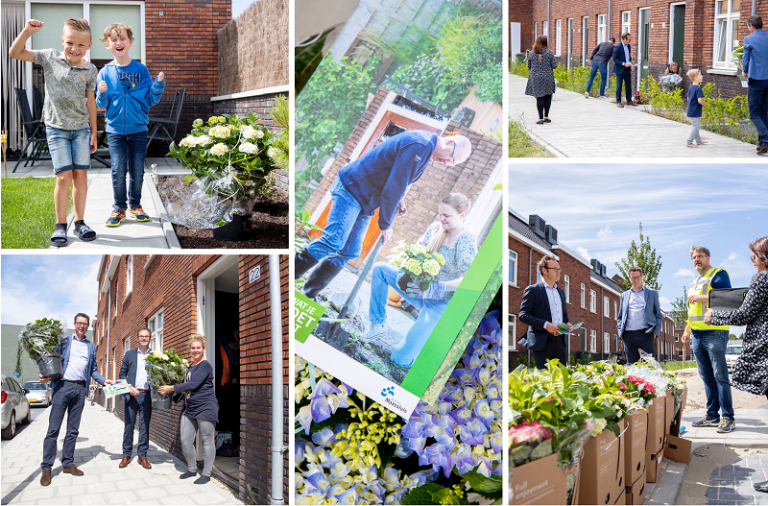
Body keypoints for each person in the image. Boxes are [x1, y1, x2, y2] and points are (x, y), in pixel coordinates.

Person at [294, 130, 472, 300]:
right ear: (450, 142)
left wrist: (399, 200)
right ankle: (285, 276)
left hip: (365, 198)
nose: (447, 163)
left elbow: (398, 180)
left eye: (452, 164)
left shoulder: (424, 149)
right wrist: (385, 225)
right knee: (333, 241)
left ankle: (308, 294)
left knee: (350, 250)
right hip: (353, 188)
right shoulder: (420, 144)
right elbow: (393, 187)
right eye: (451, 158)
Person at [9, 18, 99, 246]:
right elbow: (15, 53)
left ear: (89, 45)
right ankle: (61, 225)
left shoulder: (90, 70)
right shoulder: (49, 57)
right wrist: (27, 31)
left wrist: (94, 133)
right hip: (56, 128)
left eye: (80, 44)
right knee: (63, 176)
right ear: (62, 41)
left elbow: (91, 103)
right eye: (70, 42)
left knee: (81, 176)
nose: (74, 49)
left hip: (80, 130)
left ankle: (80, 223)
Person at [363, 193, 477, 367]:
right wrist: (406, 275)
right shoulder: (435, 228)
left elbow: (469, 278)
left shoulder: (466, 240)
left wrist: (438, 287)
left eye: (446, 216)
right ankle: (378, 324)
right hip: (419, 290)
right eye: (440, 214)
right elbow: (418, 255)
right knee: (381, 269)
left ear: (461, 216)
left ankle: (424, 358)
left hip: (439, 303)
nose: (441, 218)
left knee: (399, 360)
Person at [705, 237, 768, 492]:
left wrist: (714, 315)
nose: (751, 259)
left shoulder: (763, 279)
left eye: (754, 254)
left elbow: (744, 314)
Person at [96, 22, 166, 226]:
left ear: (130, 42)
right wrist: (100, 92)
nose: (119, 42)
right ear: (107, 45)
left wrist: (158, 85)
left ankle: (135, 205)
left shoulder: (141, 70)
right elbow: (101, 105)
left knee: (137, 170)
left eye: (122, 38)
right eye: (114, 40)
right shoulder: (105, 72)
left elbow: (152, 99)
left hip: (138, 130)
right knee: (118, 170)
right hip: (115, 131)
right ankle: (119, 208)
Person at [37, 313, 113, 486]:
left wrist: (103, 380)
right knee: (53, 429)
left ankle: (68, 463)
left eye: (85, 324)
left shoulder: (91, 347)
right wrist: (44, 375)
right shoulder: (63, 341)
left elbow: (93, 369)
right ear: (74, 324)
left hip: (80, 389)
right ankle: (47, 467)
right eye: (79, 323)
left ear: (88, 326)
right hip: (62, 387)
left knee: (73, 430)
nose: (82, 326)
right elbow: (51, 360)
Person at [681, 246, 735, 433]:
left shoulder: (719, 274)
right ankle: (712, 415)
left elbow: (728, 299)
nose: (697, 260)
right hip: (697, 334)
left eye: (700, 256)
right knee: (706, 378)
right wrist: (687, 330)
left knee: (720, 376)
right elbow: (693, 311)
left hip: (715, 332)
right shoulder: (695, 281)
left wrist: (701, 297)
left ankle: (728, 417)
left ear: (708, 257)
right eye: (694, 257)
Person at [157, 335, 218, 485]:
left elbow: (194, 384)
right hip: (190, 408)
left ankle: (206, 473)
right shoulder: (190, 366)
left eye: (198, 348)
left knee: (207, 440)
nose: (195, 350)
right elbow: (185, 386)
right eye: (193, 348)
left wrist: (171, 388)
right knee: (185, 439)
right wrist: (174, 395)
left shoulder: (205, 365)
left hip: (205, 407)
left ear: (203, 349)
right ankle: (192, 469)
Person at [519, 255, 572, 369]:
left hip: (560, 341)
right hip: (542, 341)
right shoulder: (533, 290)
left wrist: (567, 323)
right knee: (545, 379)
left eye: (559, 269)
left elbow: (564, 315)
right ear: (544, 270)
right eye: (555, 269)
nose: (559, 272)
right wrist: (545, 325)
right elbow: (523, 315)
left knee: (561, 378)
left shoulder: (561, 292)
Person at [118, 327, 153, 470]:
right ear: (137, 338)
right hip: (132, 395)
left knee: (144, 427)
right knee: (129, 426)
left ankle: (142, 456)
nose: (144, 338)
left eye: (147, 336)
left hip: (147, 395)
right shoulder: (129, 354)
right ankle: (126, 455)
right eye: (142, 336)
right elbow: (122, 374)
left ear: (150, 338)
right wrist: (129, 387)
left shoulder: (155, 356)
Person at [616, 266, 664, 363]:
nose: (636, 280)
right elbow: (620, 317)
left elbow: (658, 315)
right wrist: (621, 333)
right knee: (632, 367)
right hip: (628, 336)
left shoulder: (652, 293)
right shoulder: (624, 295)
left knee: (650, 366)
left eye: (638, 277)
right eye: (633, 277)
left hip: (646, 334)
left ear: (642, 276)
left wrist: (655, 332)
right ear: (629, 278)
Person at [742, 15, 768, 155]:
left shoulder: (749, 39)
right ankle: (763, 144)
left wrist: (745, 71)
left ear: (751, 25)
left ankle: (766, 139)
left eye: (747, 25)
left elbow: (745, 60)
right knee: (763, 112)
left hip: (756, 79)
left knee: (753, 113)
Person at [525, 36, 558, 124]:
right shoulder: (550, 53)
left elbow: (529, 66)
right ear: (545, 42)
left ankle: (540, 119)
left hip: (535, 77)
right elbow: (554, 66)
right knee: (548, 96)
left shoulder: (532, 53)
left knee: (539, 97)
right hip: (548, 77)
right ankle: (546, 116)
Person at [613, 32, 638, 108]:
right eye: (629, 40)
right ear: (624, 39)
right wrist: (624, 63)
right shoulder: (617, 47)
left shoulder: (628, 46)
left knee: (628, 85)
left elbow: (628, 57)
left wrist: (632, 64)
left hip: (627, 69)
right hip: (620, 69)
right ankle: (618, 101)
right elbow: (614, 59)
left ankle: (629, 100)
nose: (630, 41)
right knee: (619, 86)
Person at [686, 69, 707, 148]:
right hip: (695, 111)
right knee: (695, 127)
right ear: (695, 78)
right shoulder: (698, 88)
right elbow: (700, 100)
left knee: (696, 126)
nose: (702, 76)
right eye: (700, 75)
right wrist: (704, 104)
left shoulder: (691, 87)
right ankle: (689, 142)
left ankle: (698, 141)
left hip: (691, 110)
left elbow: (688, 98)